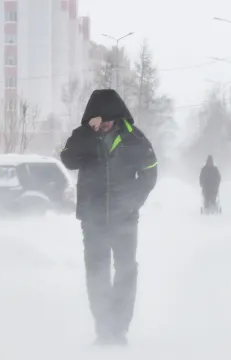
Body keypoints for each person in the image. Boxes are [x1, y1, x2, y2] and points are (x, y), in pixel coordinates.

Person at [60, 89, 158, 346]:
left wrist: (132, 202)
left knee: (126, 271)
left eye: (105, 121)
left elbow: (149, 172)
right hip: (92, 220)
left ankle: (120, 328)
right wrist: (86, 133)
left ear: (116, 117)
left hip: (125, 219)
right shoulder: (84, 136)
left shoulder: (135, 139)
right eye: (96, 121)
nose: (101, 125)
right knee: (97, 273)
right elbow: (68, 159)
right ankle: (103, 329)